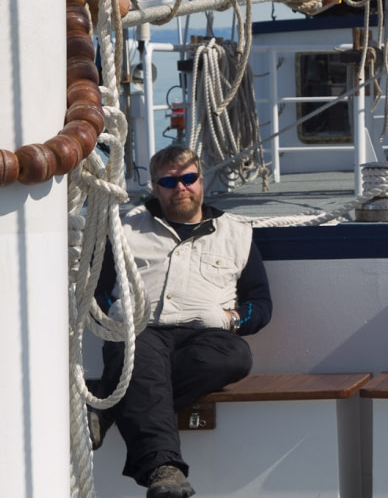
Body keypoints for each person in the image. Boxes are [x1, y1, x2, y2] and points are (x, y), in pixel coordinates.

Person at [89, 145, 273, 498]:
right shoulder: (124, 230)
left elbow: (260, 304)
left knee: (236, 357)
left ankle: (108, 404)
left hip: (205, 335)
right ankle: (164, 469)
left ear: (202, 182)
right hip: (140, 331)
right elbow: (97, 290)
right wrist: (117, 315)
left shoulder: (236, 234)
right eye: (170, 181)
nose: (181, 188)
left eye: (189, 178)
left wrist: (232, 320)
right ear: (156, 188)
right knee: (138, 356)